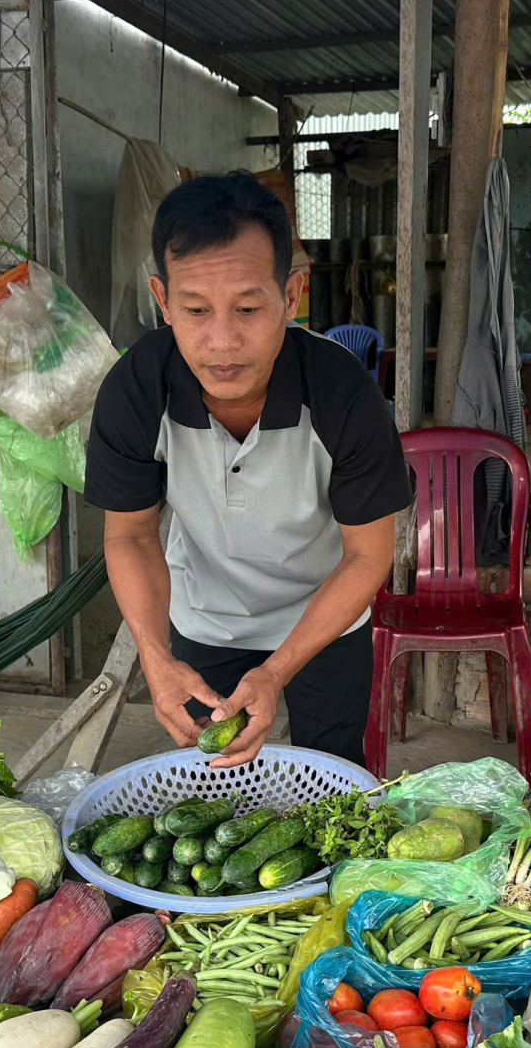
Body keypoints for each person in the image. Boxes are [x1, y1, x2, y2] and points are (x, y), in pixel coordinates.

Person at [85, 172, 412, 768]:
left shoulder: (343, 393)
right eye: (195, 309)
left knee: (332, 778)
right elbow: (130, 536)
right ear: (162, 300)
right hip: (205, 616)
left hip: (325, 617)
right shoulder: (136, 389)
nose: (222, 341)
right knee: (213, 783)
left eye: (247, 307)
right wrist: (155, 658)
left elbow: (368, 556)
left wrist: (277, 669)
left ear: (290, 295)